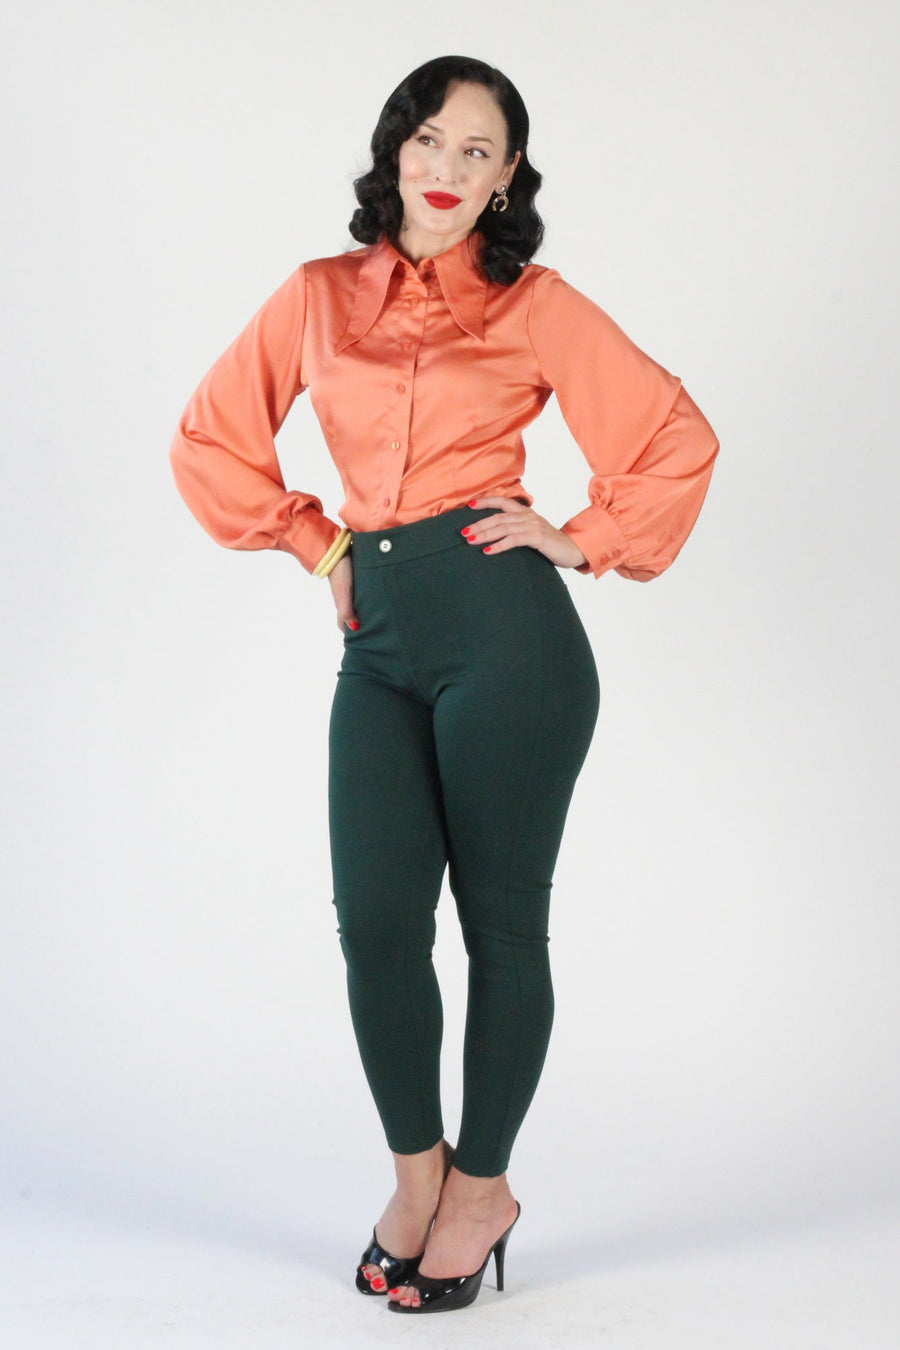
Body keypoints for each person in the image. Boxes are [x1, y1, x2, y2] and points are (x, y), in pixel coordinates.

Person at [169, 54, 719, 1314]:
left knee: (499, 926)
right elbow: (209, 437)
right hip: (380, 645)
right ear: (394, 148)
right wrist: (317, 542)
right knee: (375, 925)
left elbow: (674, 436)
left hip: (509, 643)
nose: (448, 168)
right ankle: (418, 1179)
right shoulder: (317, 297)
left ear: (506, 175)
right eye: (429, 139)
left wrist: (580, 537)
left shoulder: (533, 303)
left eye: (478, 151)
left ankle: (484, 1190)